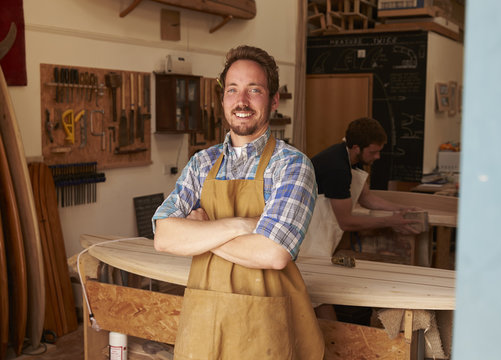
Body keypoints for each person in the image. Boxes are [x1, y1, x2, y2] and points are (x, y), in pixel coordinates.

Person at [152, 45, 324, 359]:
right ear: (222, 100)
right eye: (232, 90)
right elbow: (163, 236)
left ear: (273, 100)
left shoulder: (292, 166)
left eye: (253, 90)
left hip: (265, 327)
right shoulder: (201, 163)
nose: (241, 101)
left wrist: (202, 233)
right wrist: (240, 225)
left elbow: (273, 253)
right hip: (204, 320)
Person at [299, 117, 421, 320]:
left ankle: (332, 343)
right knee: (317, 296)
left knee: (318, 296)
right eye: (373, 152)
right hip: (307, 242)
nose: (378, 156)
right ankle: (333, 346)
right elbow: (346, 221)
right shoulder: (336, 167)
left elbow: (366, 198)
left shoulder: (352, 160)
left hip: (320, 240)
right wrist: (391, 221)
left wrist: (400, 210)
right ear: (356, 147)